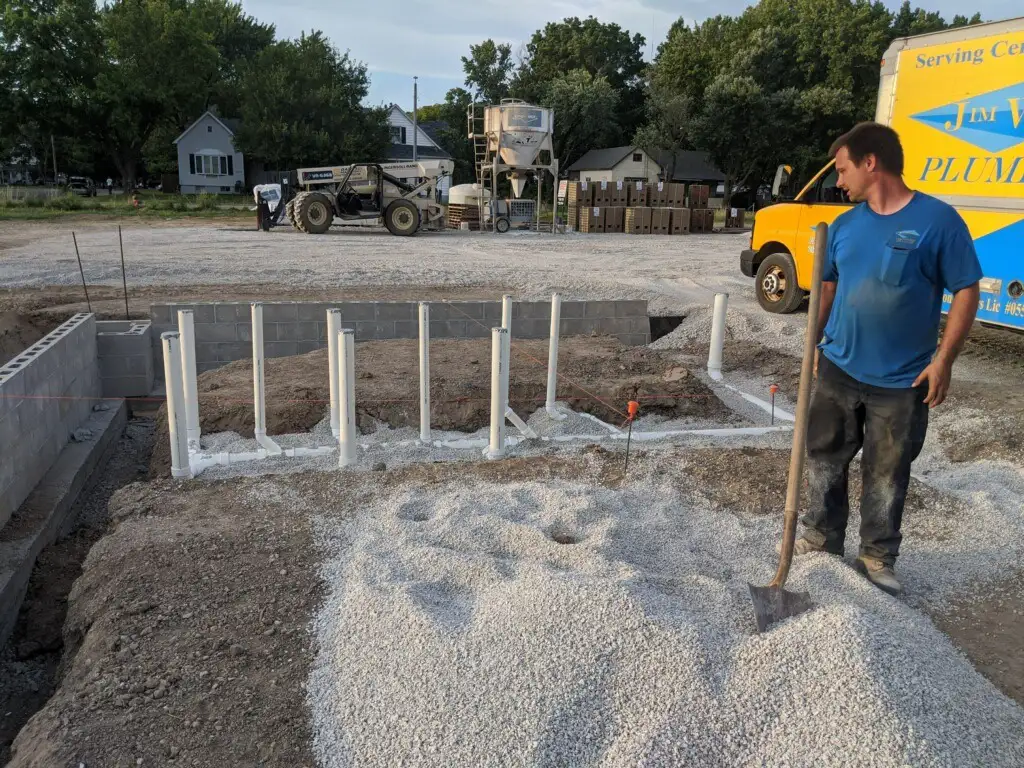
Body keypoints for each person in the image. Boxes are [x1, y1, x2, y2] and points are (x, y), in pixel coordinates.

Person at [794, 122, 982, 595]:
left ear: (870, 163)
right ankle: (821, 539)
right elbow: (829, 285)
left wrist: (945, 359)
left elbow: (965, 288)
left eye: (842, 169)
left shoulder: (939, 222)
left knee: (886, 471)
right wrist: (814, 340)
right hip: (838, 367)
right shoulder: (844, 226)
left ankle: (877, 557)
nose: (839, 181)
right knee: (823, 458)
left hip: (901, 381)